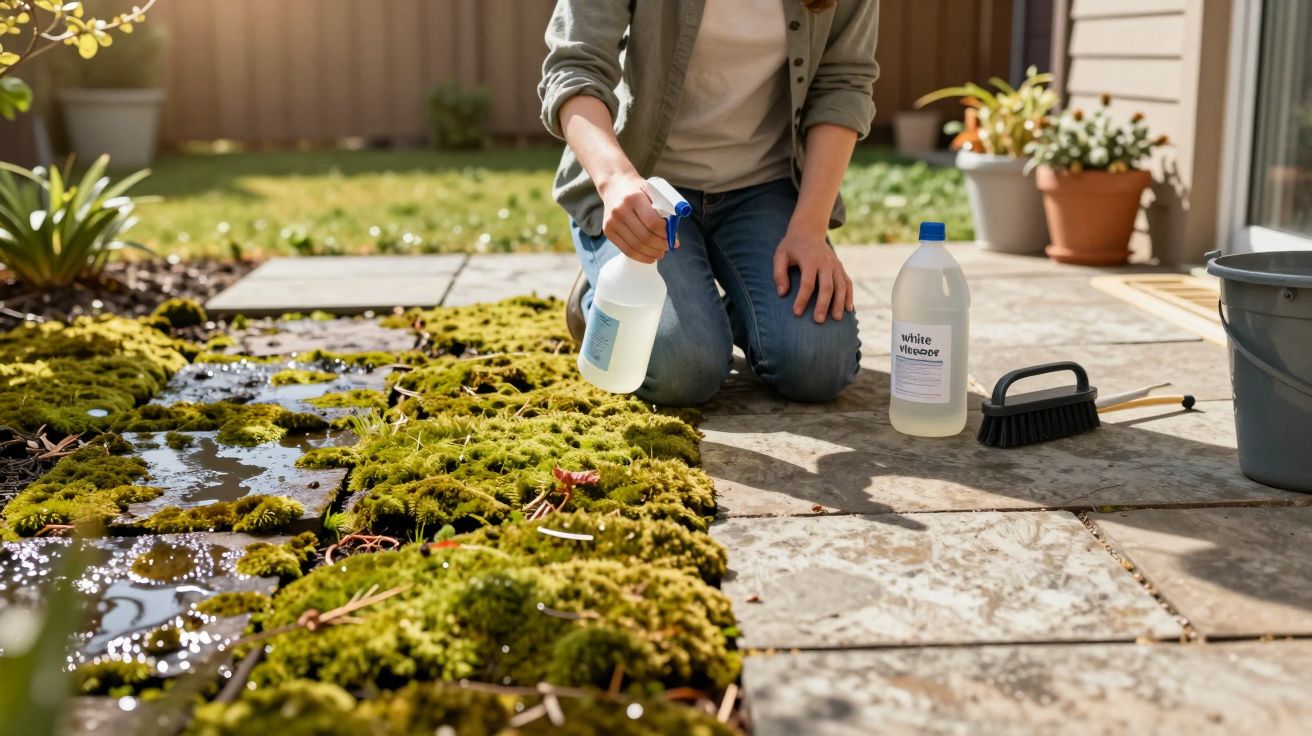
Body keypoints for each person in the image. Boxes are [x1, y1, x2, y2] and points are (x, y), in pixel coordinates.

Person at [540, 0, 879, 405]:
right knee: (685, 370)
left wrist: (809, 228)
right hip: (645, 189)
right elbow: (574, 68)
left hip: (763, 188)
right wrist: (615, 180)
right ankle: (600, 296)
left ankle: (732, 308)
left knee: (817, 365)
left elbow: (843, 84)